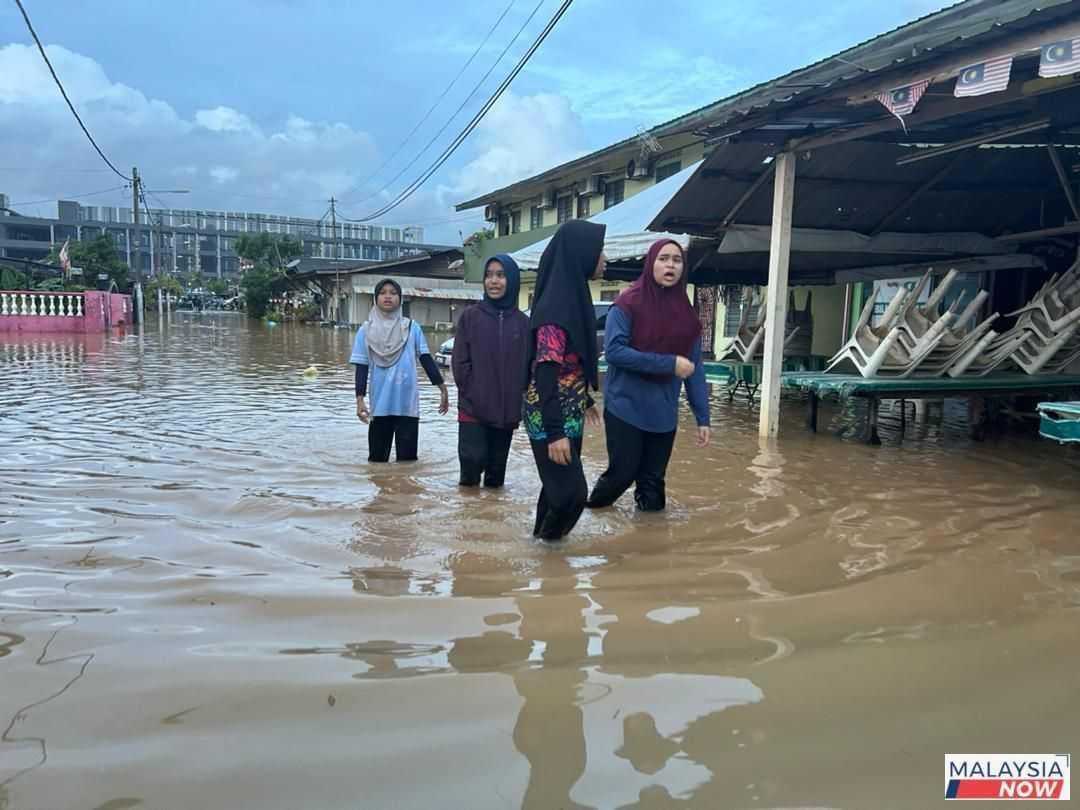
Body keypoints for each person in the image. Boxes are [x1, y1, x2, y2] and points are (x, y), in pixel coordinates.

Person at [587, 239, 711, 512]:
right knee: (622, 474)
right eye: (663, 258)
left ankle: (651, 546)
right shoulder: (626, 304)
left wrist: (703, 417)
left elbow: (694, 368)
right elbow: (615, 352)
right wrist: (667, 364)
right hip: (625, 407)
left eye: (676, 260)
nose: (670, 265)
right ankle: (588, 515)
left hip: (663, 414)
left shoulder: (687, 316)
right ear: (651, 262)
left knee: (653, 486)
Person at [522, 219, 606, 541]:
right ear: (581, 254)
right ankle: (547, 554)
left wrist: (583, 400)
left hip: (567, 411)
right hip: (548, 416)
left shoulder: (573, 298)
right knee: (571, 495)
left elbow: (569, 363)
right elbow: (544, 375)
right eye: (601, 251)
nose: (605, 258)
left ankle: (539, 547)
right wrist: (555, 433)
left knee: (556, 488)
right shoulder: (555, 310)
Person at [452, 254, 530, 488]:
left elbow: (529, 365)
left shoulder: (524, 323)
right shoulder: (471, 316)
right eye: (488, 275)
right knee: (471, 468)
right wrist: (473, 392)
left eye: (500, 275)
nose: (493, 281)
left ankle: (491, 523)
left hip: (505, 412)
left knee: (496, 477)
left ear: (513, 280)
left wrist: (519, 395)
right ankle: (468, 522)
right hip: (472, 408)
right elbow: (460, 362)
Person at [351, 278, 449, 462]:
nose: (388, 296)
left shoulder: (412, 328)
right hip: (380, 405)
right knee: (377, 463)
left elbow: (426, 359)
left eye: (393, 293)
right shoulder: (365, 331)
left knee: (408, 462)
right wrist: (359, 400)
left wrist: (443, 388)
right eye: (383, 292)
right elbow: (361, 367)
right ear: (375, 298)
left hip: (407, 405)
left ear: (400, 299)